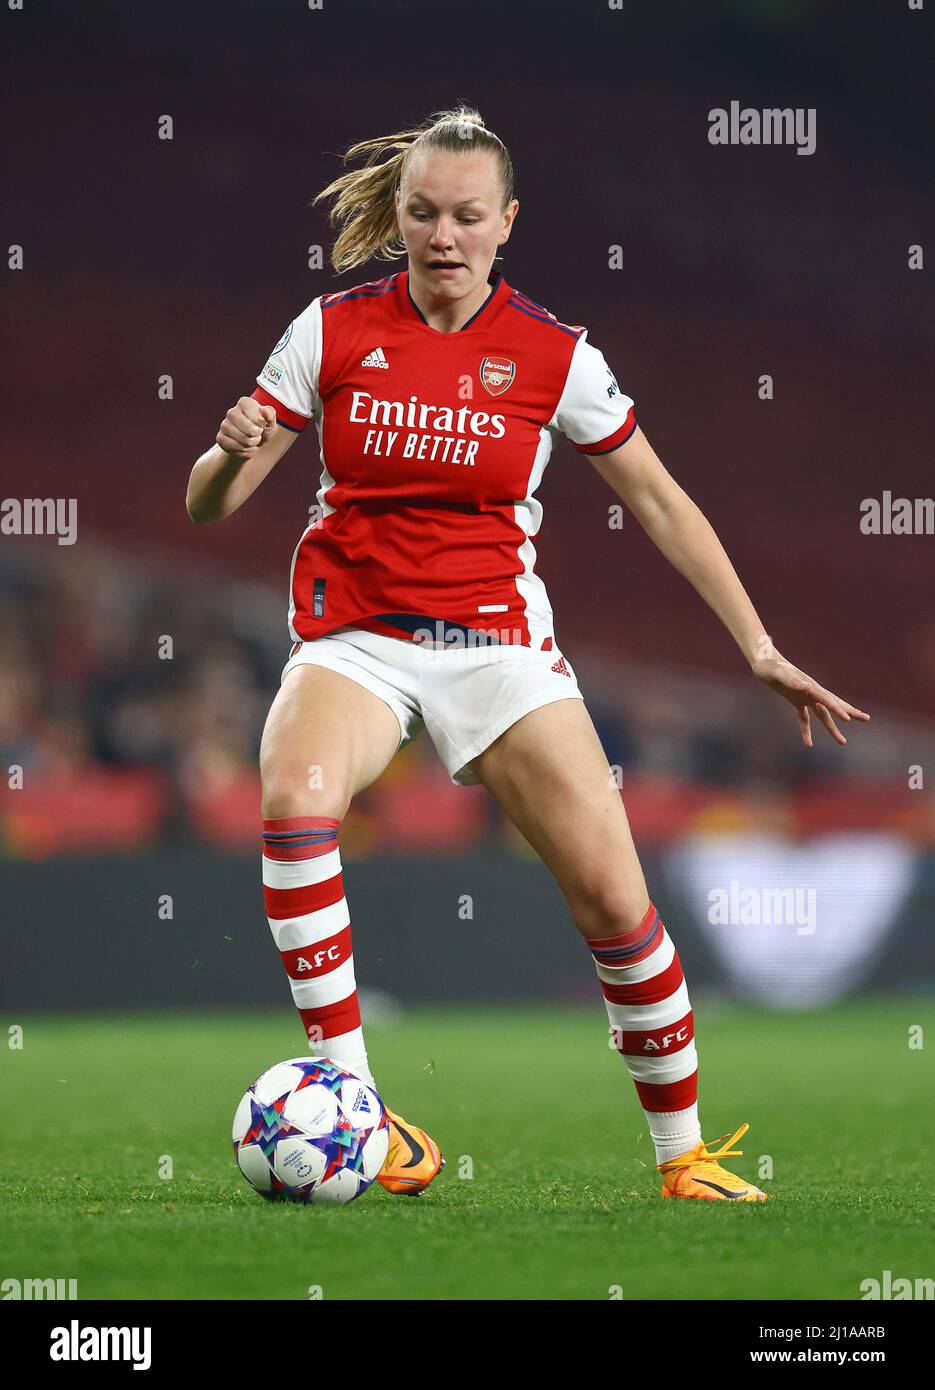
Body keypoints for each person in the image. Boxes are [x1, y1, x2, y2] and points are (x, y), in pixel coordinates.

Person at [185, 105, 869, 1201]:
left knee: (612, 900)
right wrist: (223, 459)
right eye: (421, 213)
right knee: (291, 797)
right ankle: (363, 1109)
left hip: (497, 647)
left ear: (507, 222)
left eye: (465, 215)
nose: (441, 234)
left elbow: (658, 498)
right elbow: (210, 506)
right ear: (398, 218)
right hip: (356, 637)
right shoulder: (330, 328)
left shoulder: (556, 355)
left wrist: (756, 645)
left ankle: (681, 1158)